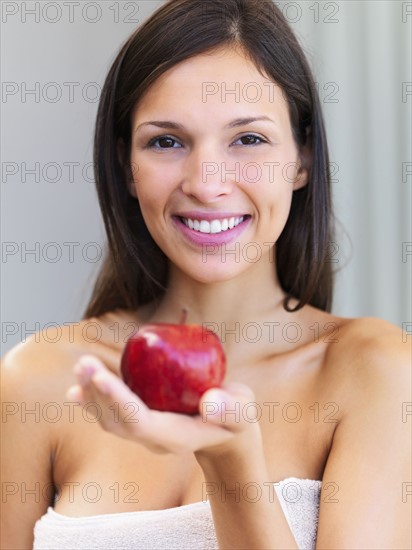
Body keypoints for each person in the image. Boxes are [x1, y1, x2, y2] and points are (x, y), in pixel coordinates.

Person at [1, 0, 410, 548]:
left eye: (248, 139)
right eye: (166, 141)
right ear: (126, 165)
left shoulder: (375, 371)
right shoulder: (42, 377)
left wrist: (230, 457)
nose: (206, 183)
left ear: (302, 158)